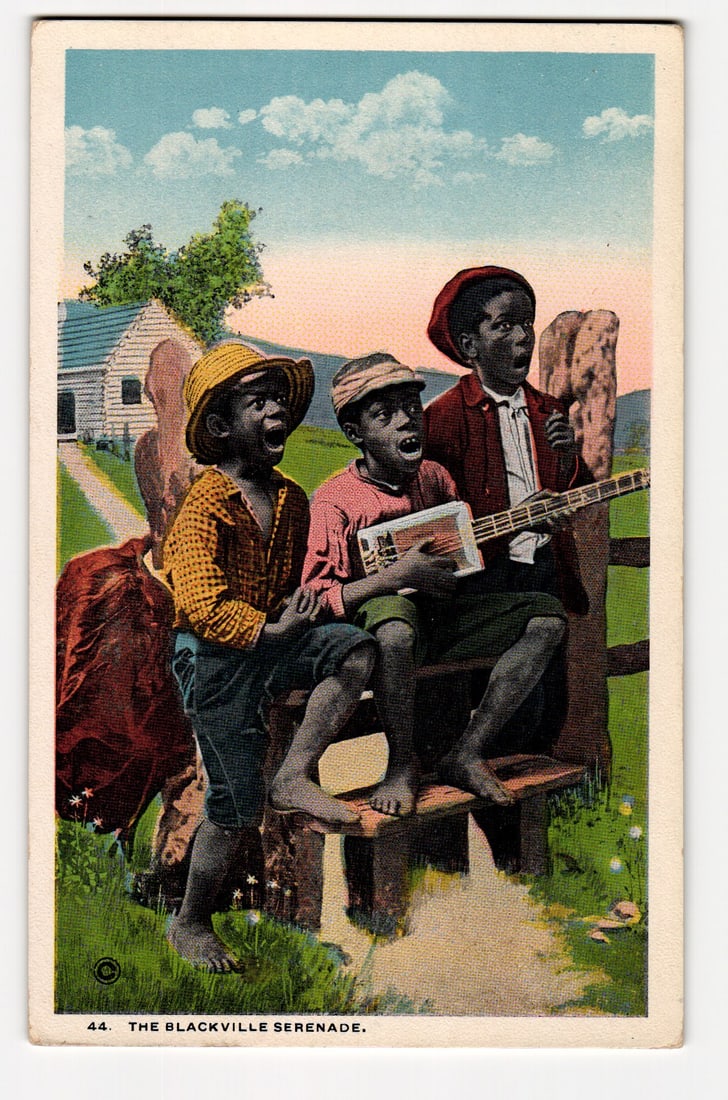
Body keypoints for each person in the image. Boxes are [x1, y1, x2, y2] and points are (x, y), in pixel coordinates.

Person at [162, 341, 376, 971]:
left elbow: (289, 584)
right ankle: (191, 922)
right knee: (233, 802)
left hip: (268, 639)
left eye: (280, 402)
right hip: (212, 657)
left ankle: (296, 772)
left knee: (354, 650)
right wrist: (270, 632)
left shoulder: (289, 499)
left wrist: (297, 614)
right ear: (222, 427)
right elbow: (201, 604)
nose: (277, 413)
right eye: (258, 403)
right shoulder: (204, 506)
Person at [302, 352, 568, 819]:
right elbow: (321, 596)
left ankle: (467, 751)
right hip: (385, 636)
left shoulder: (435, 477)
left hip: (443, 621)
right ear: (355, 432)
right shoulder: (335, 500)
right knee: (396, 627)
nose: (407, 422)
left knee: (546, 617)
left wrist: (526, 515)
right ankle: (402, 763)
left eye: (411, 408)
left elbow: (466, 546)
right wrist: (395, 577)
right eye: (385, 415)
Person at [424, 265, 593, 614]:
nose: (523, 337)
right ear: (470, 345)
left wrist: (568, 458)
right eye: (504, 326)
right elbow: (433, 517)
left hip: (546, 569)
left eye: (526, 324)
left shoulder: (549, 410)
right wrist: (513, 522)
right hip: (482, 580)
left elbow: (578, 492)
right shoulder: (444, 416)